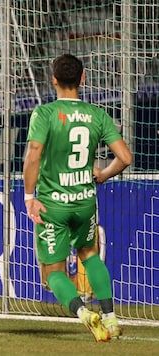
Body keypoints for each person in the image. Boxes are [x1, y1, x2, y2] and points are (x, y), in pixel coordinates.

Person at [23, 54, 132, 342]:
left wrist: (29, 197)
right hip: (84, 201)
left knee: (53, 273)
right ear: (82, 79)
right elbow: (125, 157)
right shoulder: (97, 115)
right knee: (89, 255)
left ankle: (84, 314)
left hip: (52, 204)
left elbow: (33, 155)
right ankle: (110, 318)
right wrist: (103, 175)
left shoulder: (44, 114)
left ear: (54, 80)